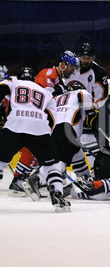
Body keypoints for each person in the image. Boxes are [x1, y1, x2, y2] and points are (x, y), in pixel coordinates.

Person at [9, 51, 80, 195]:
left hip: (41, 117)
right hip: (33, 115)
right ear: (63, 64)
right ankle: (18, 179)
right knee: (35, 144)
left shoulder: (58, 80)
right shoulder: (49, 74)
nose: (72, 72)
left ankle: (31, 177)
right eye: (71, 67)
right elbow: (49, 97)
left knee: (42, 147)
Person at [0, 66, 70, 212]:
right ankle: (58, 195)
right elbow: (52, 119)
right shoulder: (46, 93)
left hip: (15, 125)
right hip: (39, 129)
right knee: (52, 166)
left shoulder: (13, 82)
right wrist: (44, 138)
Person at [65, 42, 109, 169]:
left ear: (93, 58)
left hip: (87, 112)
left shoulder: (99, 72)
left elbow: (103, 96)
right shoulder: (71, 66)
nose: (85, 60)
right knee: (65, 140)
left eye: (88, 58)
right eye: (84, 57)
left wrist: (90, 107)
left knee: (90, 142)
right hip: (68, 110)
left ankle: (97, 169)